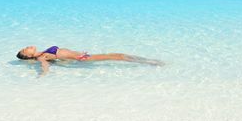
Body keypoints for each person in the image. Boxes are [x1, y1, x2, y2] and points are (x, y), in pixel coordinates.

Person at [16, 45, 163, 74]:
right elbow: (45, 66)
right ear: (29, 56)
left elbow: (61, 58)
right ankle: (151, 63)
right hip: (83, 58)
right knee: (119, 56)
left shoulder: (43, 53)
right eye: (24, 50)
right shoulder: (42, 57)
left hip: (80, 56)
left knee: (118, 55)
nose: (26, 47)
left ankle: (149, 61)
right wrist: (42, 75)